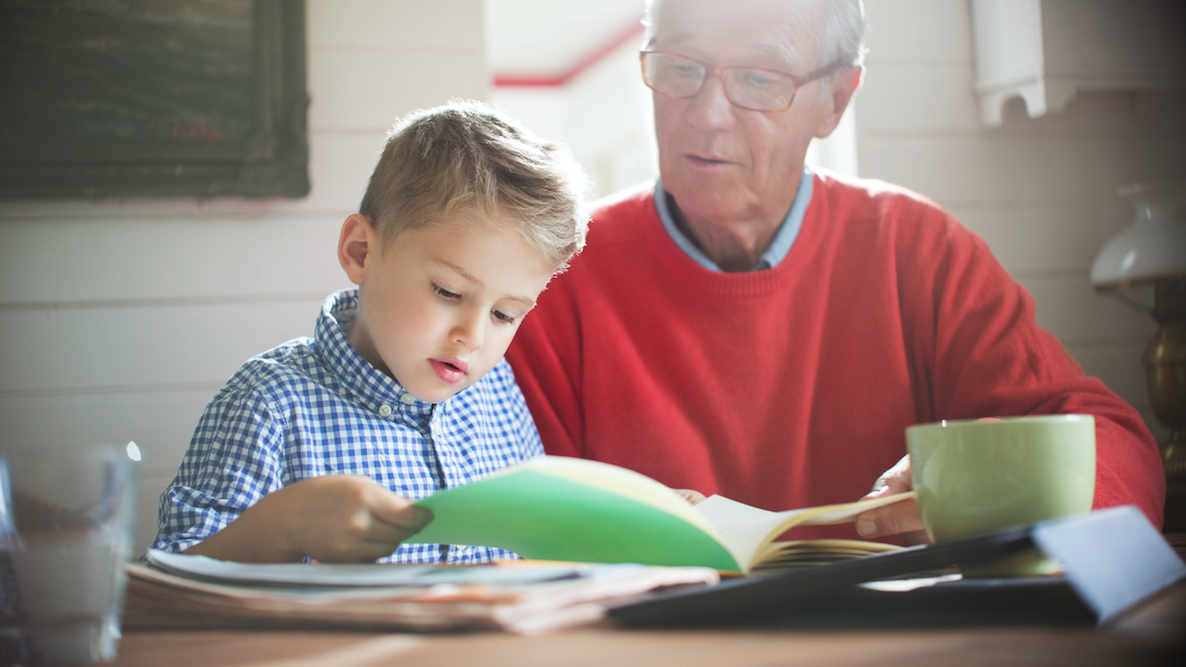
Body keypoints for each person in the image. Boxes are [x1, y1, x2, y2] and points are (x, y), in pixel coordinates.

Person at [505, 0, 1165, 543]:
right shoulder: (550, 277)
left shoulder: (919, 251)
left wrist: (1015, 479)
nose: (705, 114)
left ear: (836, 100)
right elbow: (502, 510)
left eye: (760, 79)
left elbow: (1111, 440)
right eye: (680, 66)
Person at [153, 101, 590, 563]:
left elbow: (538, 549)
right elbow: (161, 593)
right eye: (447, 291)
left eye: (504, 315)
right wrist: (283, 526)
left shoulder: (499, 394)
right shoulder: (270, 402)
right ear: (360, 252)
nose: (474, 337)